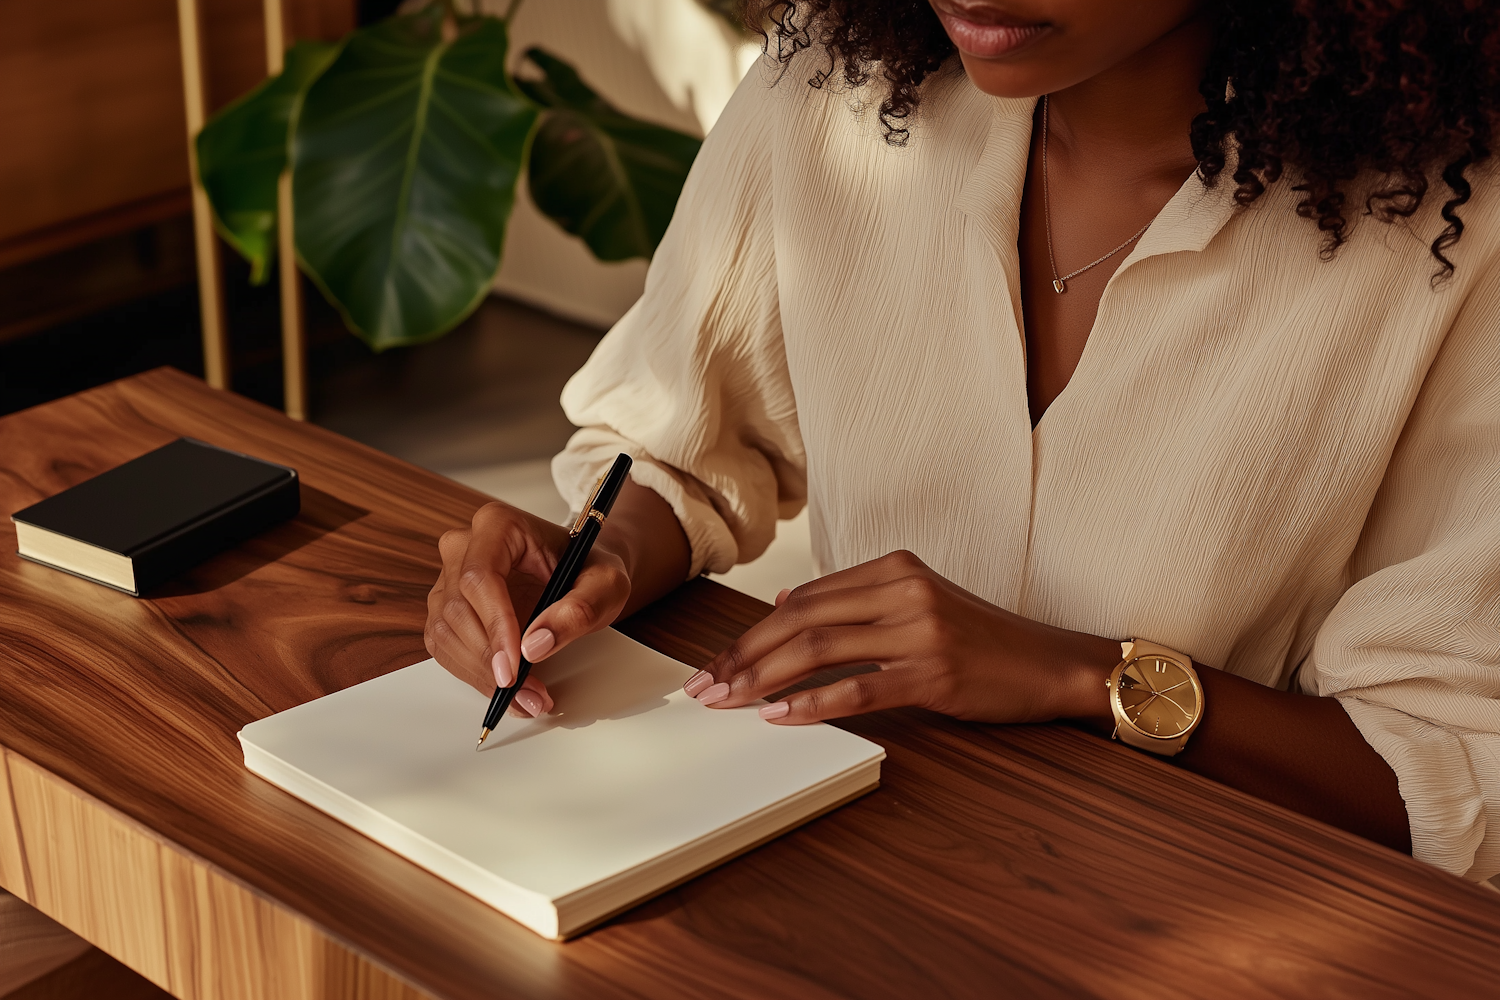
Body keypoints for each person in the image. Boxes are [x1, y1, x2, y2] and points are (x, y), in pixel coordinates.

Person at [425, 0, 1500, 884]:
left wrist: (1084, 676)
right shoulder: (830, 88)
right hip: (834, 862)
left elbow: (1455, 771)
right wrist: (600, 557)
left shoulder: (1455, 228)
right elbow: (678, 443)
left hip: (1193, 917)